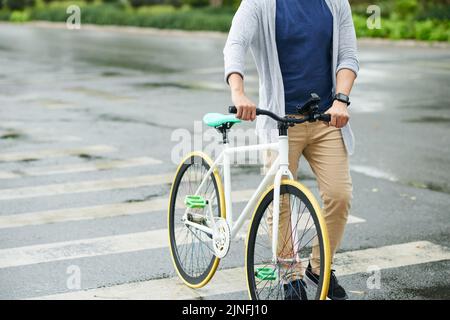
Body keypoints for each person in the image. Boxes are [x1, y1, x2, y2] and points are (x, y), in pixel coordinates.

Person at [224, 0, 359, 300]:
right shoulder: (259, 4)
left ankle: (318, 266)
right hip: (280, 120)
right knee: (280, 200)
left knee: (340, 195)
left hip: (325, 118)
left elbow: (348, 56)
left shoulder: (336, 3)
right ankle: (290, 276)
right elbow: (235, 43)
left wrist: (341, 100)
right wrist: (238, 92)